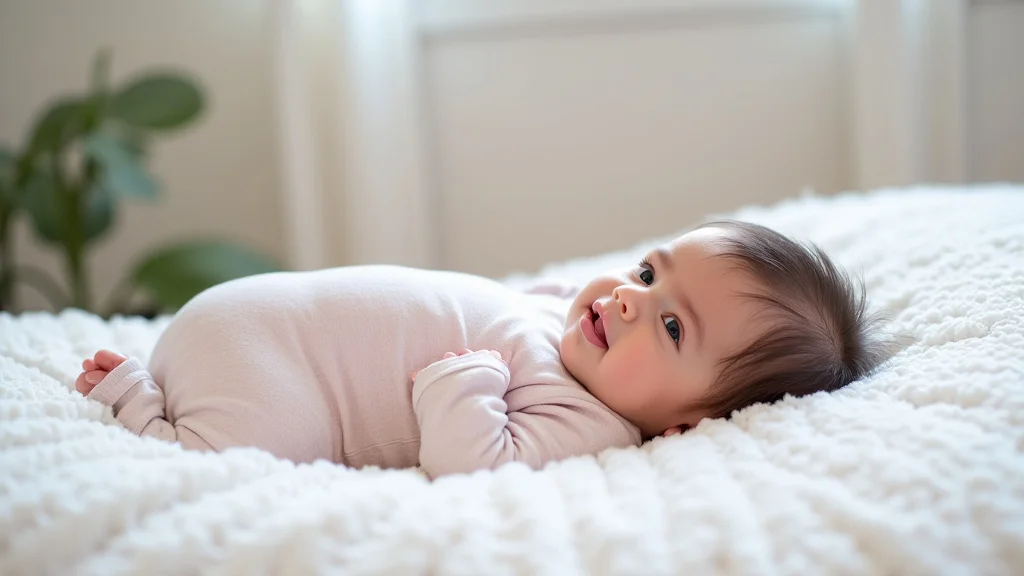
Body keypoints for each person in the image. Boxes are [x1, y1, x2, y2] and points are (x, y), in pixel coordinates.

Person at [76, 220, 886, 478]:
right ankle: (164, 387)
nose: (630, 297)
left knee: (254, 448)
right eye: (646, 271)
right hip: (260, 318)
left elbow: (475, 466)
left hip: (269, 369)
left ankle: (151, 415)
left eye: (672, 327)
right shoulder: (560, 331)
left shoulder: (590, 421)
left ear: (688, 424)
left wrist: (459, 386)